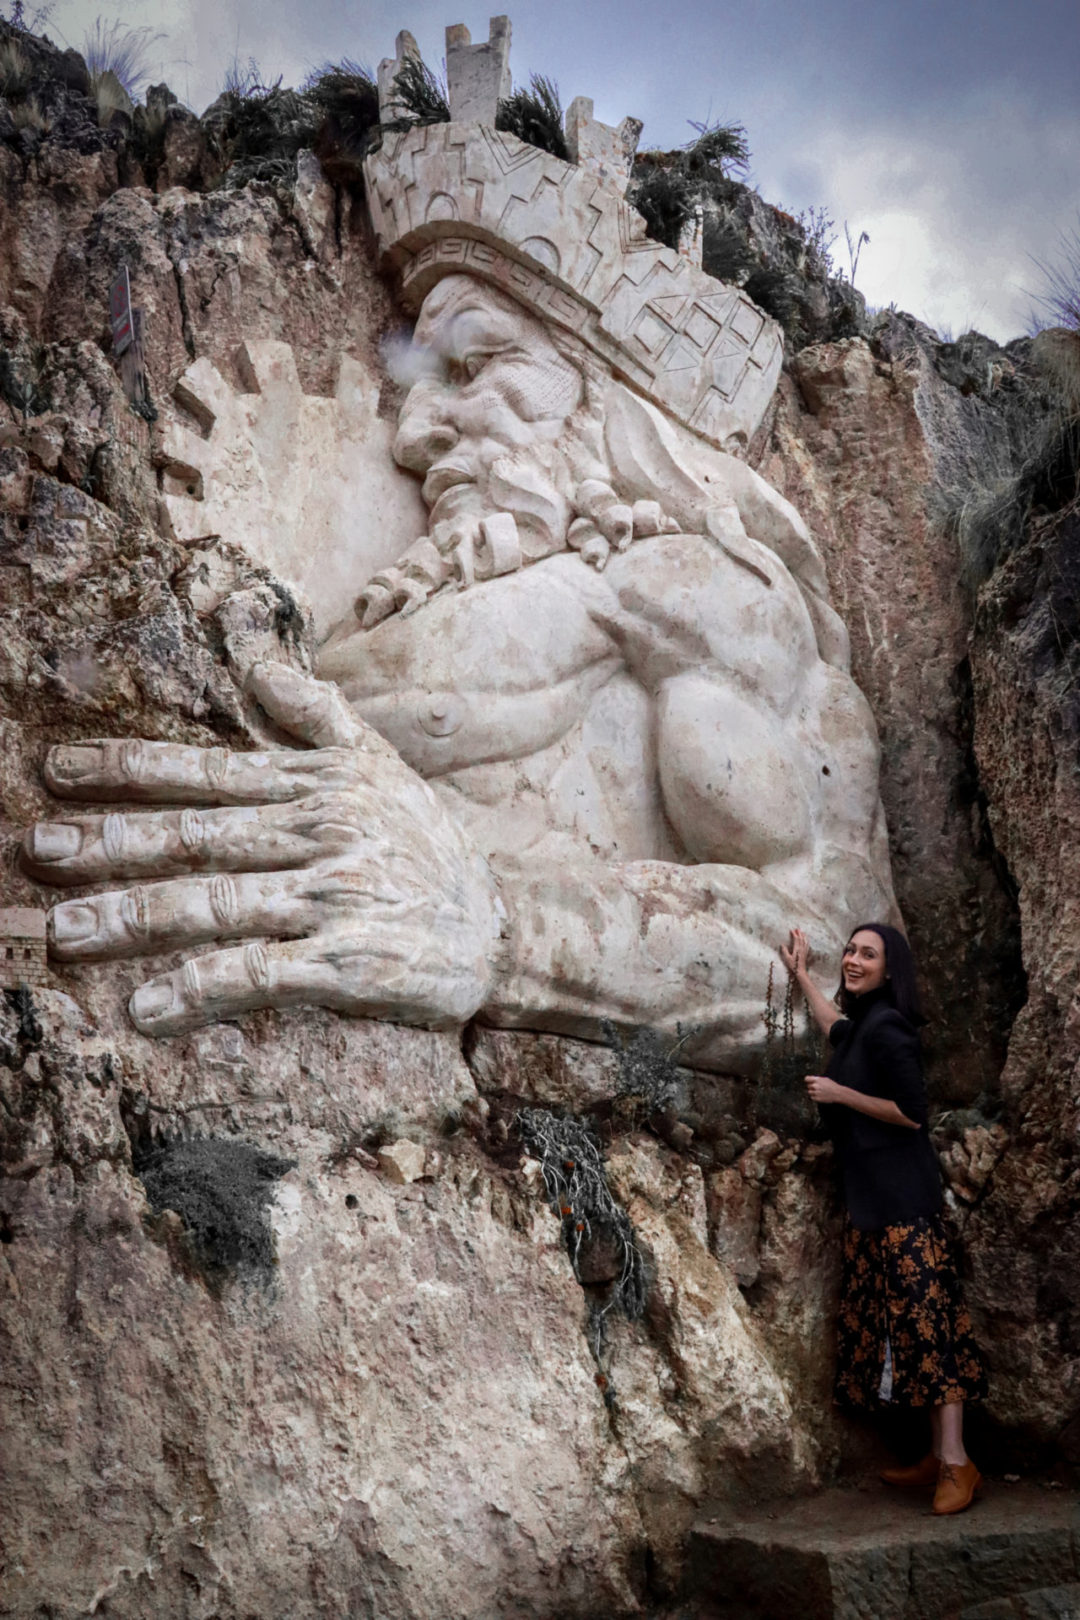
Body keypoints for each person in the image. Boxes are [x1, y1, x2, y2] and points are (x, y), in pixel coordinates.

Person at [780, 922, 987, 1515]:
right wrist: (799, 974)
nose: (852, 960)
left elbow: (912, 1113)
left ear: (890, 969)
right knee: (905, 1330)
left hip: (905, 1205)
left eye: (866, 954)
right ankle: (937, 1455)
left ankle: (957, 1464)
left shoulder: (890, 1027)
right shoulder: (863, 1026)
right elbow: (832, 1025)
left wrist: (841, 1096)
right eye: (849, 950)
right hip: (875, 1205)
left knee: (929, 1326)